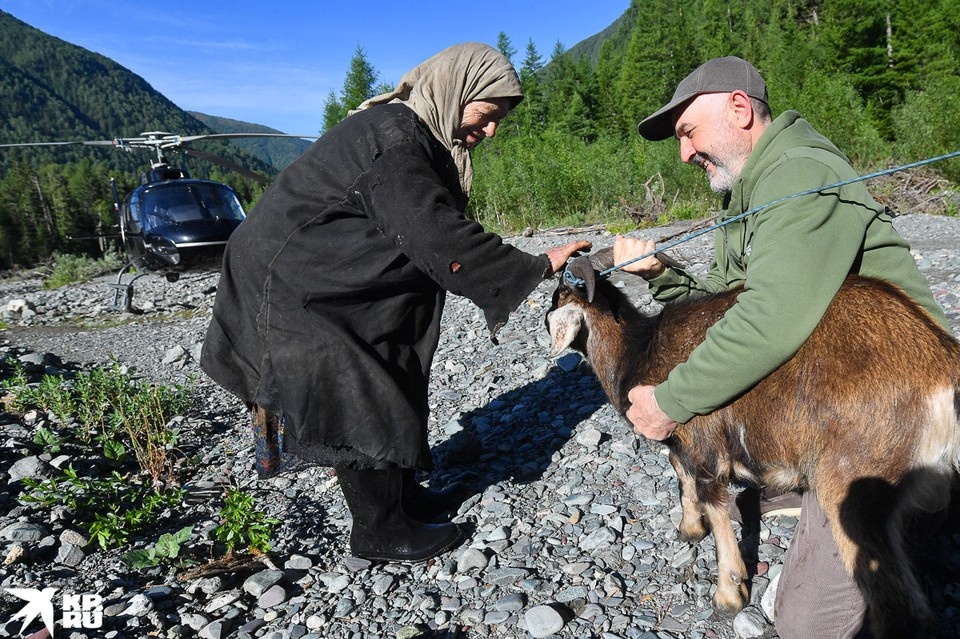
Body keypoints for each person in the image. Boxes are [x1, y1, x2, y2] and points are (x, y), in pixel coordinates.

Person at [200, 42, 590, 564]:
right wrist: (533, 265)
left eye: (500, 119)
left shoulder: (413, 134)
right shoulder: (394, 139)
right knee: (360, 382)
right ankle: (378, 531)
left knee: (394, 357)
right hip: (293, 284)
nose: (491, 130)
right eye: (487, 113)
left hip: (325, 271)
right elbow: (436, 234)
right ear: (458, 92)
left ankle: (401, 499)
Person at [612, 56, 950, 638]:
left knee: (806, 622)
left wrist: (671, 400)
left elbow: (771, 316)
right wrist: (661, 275)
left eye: (688, 132)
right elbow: (728, 298)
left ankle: (913, 533)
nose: (684, 153)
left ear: (739, 109)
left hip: (891, 395)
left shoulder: (797, 172)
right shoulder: (747, 188)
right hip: (839, 387)